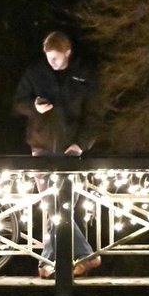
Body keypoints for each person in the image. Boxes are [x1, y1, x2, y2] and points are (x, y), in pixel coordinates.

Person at [13, 30, 102, 278]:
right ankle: (84, 256)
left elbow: (94, 116)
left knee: (60, 207)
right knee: (53, 206)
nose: (52, 61)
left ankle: (48, 262)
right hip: (40, 147)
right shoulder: (35, 73)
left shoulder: (83, 75)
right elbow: (17, 103)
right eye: (49, 57)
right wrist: (34, 107)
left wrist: (81, 145)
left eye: (56, 57)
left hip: (69, 150)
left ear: (68, 53)